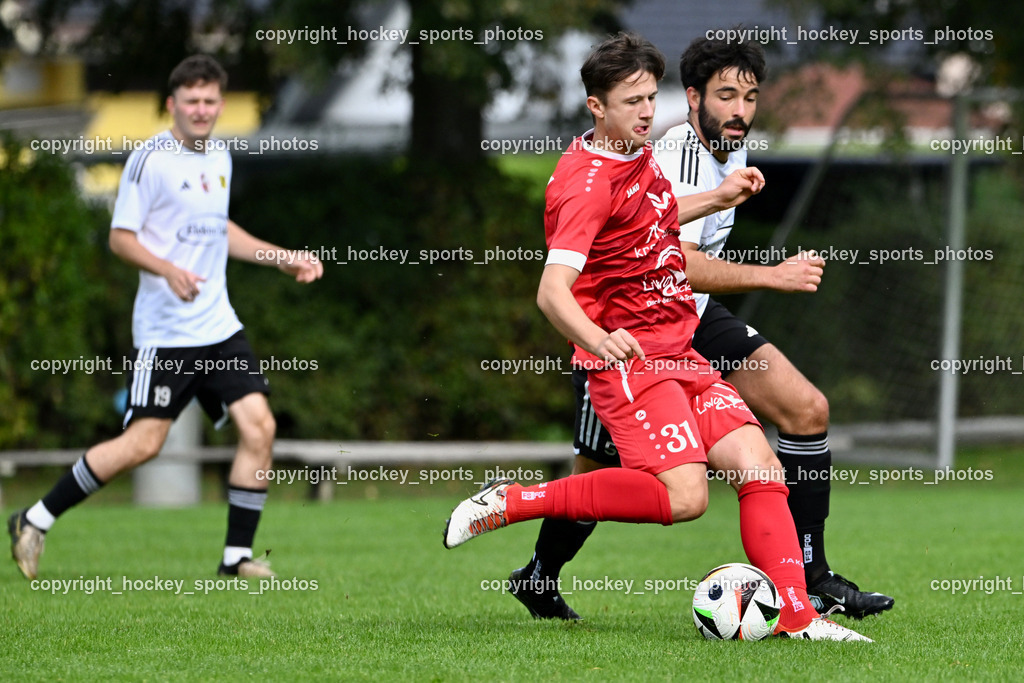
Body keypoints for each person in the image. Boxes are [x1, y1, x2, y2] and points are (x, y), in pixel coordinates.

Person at [443, 32, 871, 642]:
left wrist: (718, 197)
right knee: (684, 498)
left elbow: (654, 216)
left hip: (682, 346)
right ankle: (513, 502)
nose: (648, 112)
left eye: (650, 97)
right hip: (632, 358)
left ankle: (798, 617)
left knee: (761, 469)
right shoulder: (585, 184)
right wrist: (596, 338)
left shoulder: (635, 153)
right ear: (597, 107)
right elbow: (551, 291)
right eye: (632, 101)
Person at [8, 54, 323, 580]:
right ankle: (34, 518)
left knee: (259, 425)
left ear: (220, 104)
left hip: (218, 326)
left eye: (209, 101)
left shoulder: (219, 157)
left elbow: (220, 230)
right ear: (173, 104)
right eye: (191, 101)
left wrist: (281, 257)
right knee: (144, 444)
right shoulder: (149, 160)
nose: (201, 110)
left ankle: (235, 559)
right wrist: (168, 269)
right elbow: (120, 238)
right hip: (167, 333)